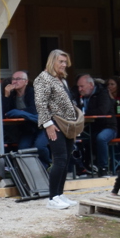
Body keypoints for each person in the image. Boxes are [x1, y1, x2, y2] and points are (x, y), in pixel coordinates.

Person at [33, 50, 79, 212]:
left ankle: (59, 194)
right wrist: (48, 124)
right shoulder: (43, 78)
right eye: (61, 61)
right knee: (59, 159)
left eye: (65, 62)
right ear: (52, 61)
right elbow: (40, 103)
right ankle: (52, 198)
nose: (64, 65)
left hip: (68, 124)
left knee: (66, 159)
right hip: (55, 124)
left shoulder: (61, 79)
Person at [80, 75, 117, 173]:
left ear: (91, 85)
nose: (80, 89)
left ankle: (104, 167)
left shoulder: (103, 94)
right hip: (91, 127)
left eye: (82, 86)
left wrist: (85, 113)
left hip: (109, 127)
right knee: (80, 138)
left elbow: (102, 110)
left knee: (101, 138)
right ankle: (83, 166)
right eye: (78, 87)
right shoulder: (82, 96)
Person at [1, 71, 38, 150]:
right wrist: (6, 95)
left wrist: (17, 112)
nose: (14, 81)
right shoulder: (12, 94)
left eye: (18, 79)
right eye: (13, 79)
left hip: (37, 126)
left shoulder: (32, 92)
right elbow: (5, 113)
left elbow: (34, 109)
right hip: (22, 128)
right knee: (21, 147)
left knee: (38, 146)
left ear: (26, 82)